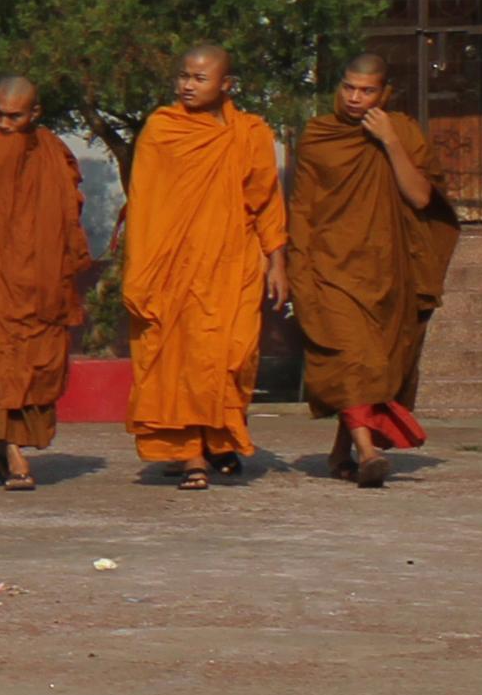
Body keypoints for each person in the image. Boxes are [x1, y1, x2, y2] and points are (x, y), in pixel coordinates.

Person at [118, 43, 284, 491]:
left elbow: (266, 200)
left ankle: (218, 436)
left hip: (234, 264)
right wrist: (140, 270)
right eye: (183, 77)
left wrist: (277, 261)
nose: (187, 86)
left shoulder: (250, 133)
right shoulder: (162, 129)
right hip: (174, 266)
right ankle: (191, 454)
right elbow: (145, 202)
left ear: (227, 85)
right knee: (181, 359)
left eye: (199, 78)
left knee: (234, 354)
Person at [291, 52, 457, 487]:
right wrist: (293, 265)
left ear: (385, 93)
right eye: (348, 87)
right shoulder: (317, 136)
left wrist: (390, 142)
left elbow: (422, 198)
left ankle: (339, 451)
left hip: (389, 269)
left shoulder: (401, 130)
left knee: (374, 366)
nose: (354, 98)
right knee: (352, 356)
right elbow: (302, 206)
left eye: (366, 91)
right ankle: (367, 454)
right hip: (331, 267)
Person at [0, 76, 91, 491]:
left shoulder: (53, 152)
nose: (3, 123)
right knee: (0, 363)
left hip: (43, 282)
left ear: (35, 113)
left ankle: (5, 441)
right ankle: (11, 451)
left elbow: (68, 210)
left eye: (14, 116)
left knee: (37, 365)